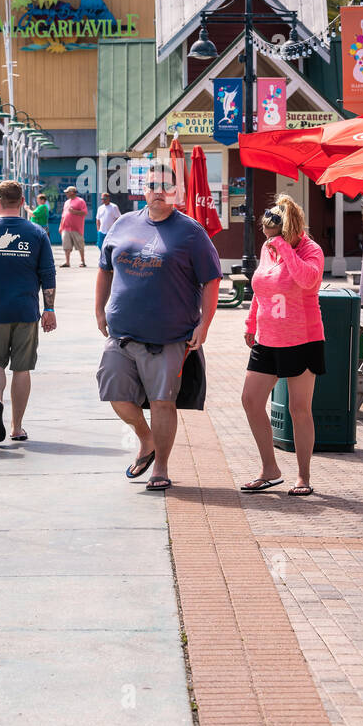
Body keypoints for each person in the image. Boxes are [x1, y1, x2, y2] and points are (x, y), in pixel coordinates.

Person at [95, 164, 221, 491]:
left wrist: (204, 325)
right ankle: (145, 438)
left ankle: (161, 467)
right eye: (152, 185)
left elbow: (211, 280)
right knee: (115, 392)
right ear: (144, 189)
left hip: (169, 336)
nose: (158, 191)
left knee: (163, 401)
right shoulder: (123, 224)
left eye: (165, 186)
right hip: (121, 332)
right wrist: (99, 309)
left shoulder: (191, 232)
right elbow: (105, 268)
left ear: (176, 191)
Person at [240, 194, 325, 496]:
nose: (268, 240)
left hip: (302, 338)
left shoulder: (310, 250)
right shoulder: (267, 248)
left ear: (288, 231)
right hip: (267, 338)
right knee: (250, 400)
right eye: (266, 236)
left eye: (272, 236)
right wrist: (252, 324)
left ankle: (303, 476)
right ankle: (270, 469)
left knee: (298, 408)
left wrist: (287, 250)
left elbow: (307, 280)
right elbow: (262, 287)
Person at [0, 178, 57, 443]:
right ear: (22, 202)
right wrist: (49, 308)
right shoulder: (37, 233)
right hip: (27, 312)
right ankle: (17, 427)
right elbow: (47, 275)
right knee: (22, 368)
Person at [59, 185, 88, 267]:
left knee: (80, 245)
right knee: (66, 246)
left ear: (72, 192)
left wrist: (74, 212)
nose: (66, 194)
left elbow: (85, 212)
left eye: (67, 192)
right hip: (66, 227)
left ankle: (83, 261)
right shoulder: (66, 202)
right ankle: (67, 262)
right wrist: (61, 226)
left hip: (76, 228)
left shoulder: (80, 201)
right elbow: (63, 215)